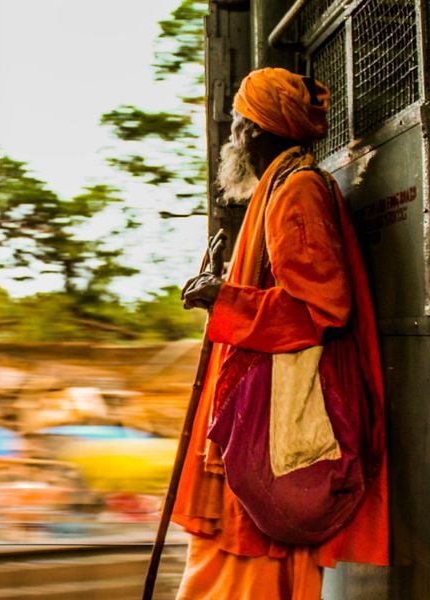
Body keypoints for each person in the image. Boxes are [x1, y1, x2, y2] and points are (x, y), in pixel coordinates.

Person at [175, 67, 388, 599]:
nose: (232, 138)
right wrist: (227, 289)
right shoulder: (285, 188)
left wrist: (222, 299)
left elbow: (322, 306)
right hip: (260, 405)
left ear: (256, 132)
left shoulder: (296, 192)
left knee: (240, 558)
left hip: (272, 417)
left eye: (237, 126)